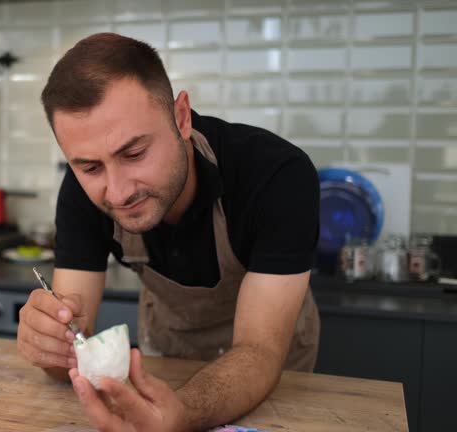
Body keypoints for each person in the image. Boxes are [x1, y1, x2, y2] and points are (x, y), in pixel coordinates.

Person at [17, 33, 321, 431]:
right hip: (164, 363)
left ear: (181, 118)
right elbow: (76, 338)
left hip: (271, 383)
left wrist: (182, 415)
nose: (119, 191)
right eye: (90, 167)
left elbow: (259, 351)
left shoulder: (276, 176)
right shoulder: (81, 193)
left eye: (135, 153)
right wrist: (52, 346)